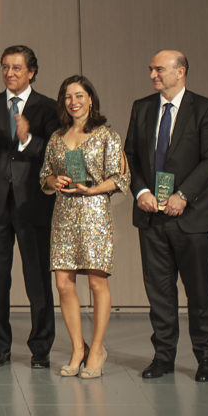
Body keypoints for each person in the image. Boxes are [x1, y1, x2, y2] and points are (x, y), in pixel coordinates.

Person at [124, 50, 208, 383]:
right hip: (152, 216)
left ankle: (205, 358)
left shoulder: (205, 109)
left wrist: (183, 196)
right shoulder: (141, 108)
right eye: (151, 69)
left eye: (160, 69)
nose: (153, 74)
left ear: (180, 72)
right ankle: (163, 356)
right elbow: (131, 157)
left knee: (198, 292)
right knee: (159, 292)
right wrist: (141, 193)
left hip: (191, 217)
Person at [0, 45, 58, 368]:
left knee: (37, 281)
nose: (10, 73)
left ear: (31, 72)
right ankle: (0, 348)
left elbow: (54, 152)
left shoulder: (48, 107)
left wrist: (25, 139)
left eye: (17, 68)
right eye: (5, 67)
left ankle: (41, 349)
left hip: (32, 203)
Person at [39, 76, 129, 379]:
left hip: (94, 213)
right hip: (64, 213)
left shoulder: (107, 135)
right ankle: (78, 347)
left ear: (91, 99)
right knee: (63, 283)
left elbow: (121, 178)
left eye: (79, 95)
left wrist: (93, 190)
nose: (73, 101)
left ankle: (98, 348)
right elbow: (45, 177)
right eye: (67, 96)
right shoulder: (56, 137)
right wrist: (56, 181)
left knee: (95, 284)